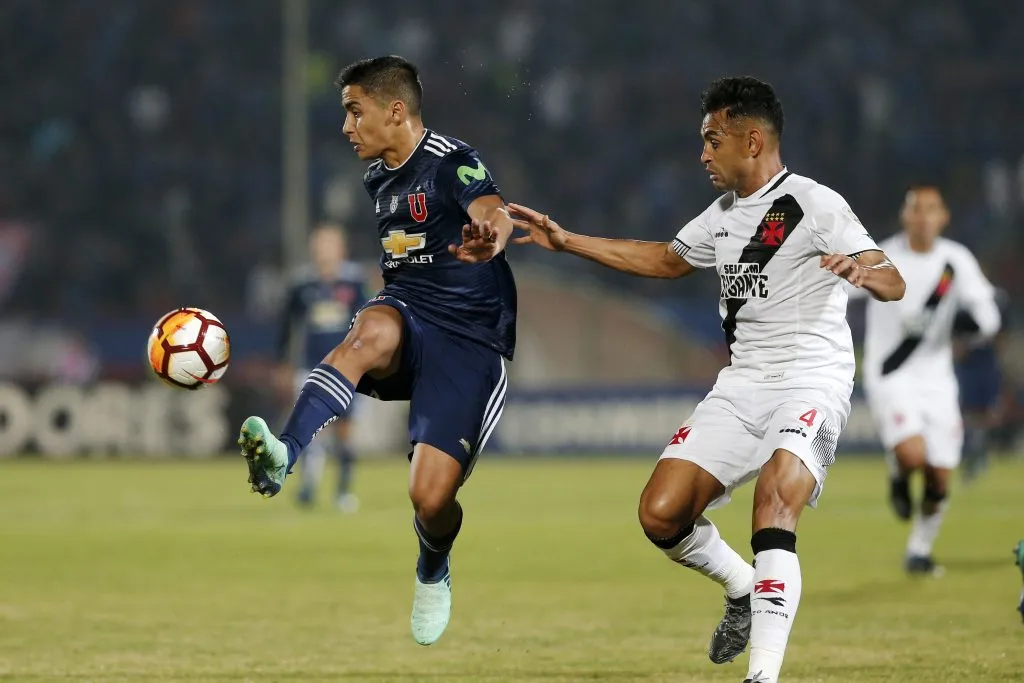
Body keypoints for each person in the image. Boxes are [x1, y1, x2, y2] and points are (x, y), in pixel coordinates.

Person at [509, 76, 905, 683]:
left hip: (809, 381)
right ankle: (744, 588)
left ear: (752, 141)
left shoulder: (812, 204)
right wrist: (568, 243)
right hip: (741, 384)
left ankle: (762, 676)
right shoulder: (723, 215)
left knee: (774, 500)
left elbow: (892, 279)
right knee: (660, 514)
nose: (702, 153)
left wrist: (859, 270)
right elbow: (668, 259)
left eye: (712, 139)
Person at [238, 55, 517, 646]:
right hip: (408, 311)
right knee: (364, 334)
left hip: (468, 339)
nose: (346, 126)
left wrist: (490, 236)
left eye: (353, 111)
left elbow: (493, 210)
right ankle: (285, 454)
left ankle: (433, 563)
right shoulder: (376, 178)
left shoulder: (451, 160)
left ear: (394, 111)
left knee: (429, 497)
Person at [855, 186, 1000, 576]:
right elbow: (840, 290)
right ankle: (899, 475)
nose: (922, 216)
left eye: (930, 209)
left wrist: (979, 324)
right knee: (913, 455)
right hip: (891, 372)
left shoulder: (956, 260)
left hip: (937, 380)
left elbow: (986, 309)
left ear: (944, 216)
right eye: (915, 209)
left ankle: (919, 551)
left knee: (939, 475)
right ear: (904, 217)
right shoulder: (882, 257)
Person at [275, 223, 367, 511]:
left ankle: (343, 489)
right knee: (311, 430)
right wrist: (283, 364)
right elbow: (287, 328)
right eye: (319, 243)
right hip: (310, 367)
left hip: (347, 369)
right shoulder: (301, 284)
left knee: (345, 431)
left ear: (341, 249)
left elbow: (368, 320)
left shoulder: (354, 282)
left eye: (329, 243)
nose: (323, 249)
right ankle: (308, 487)